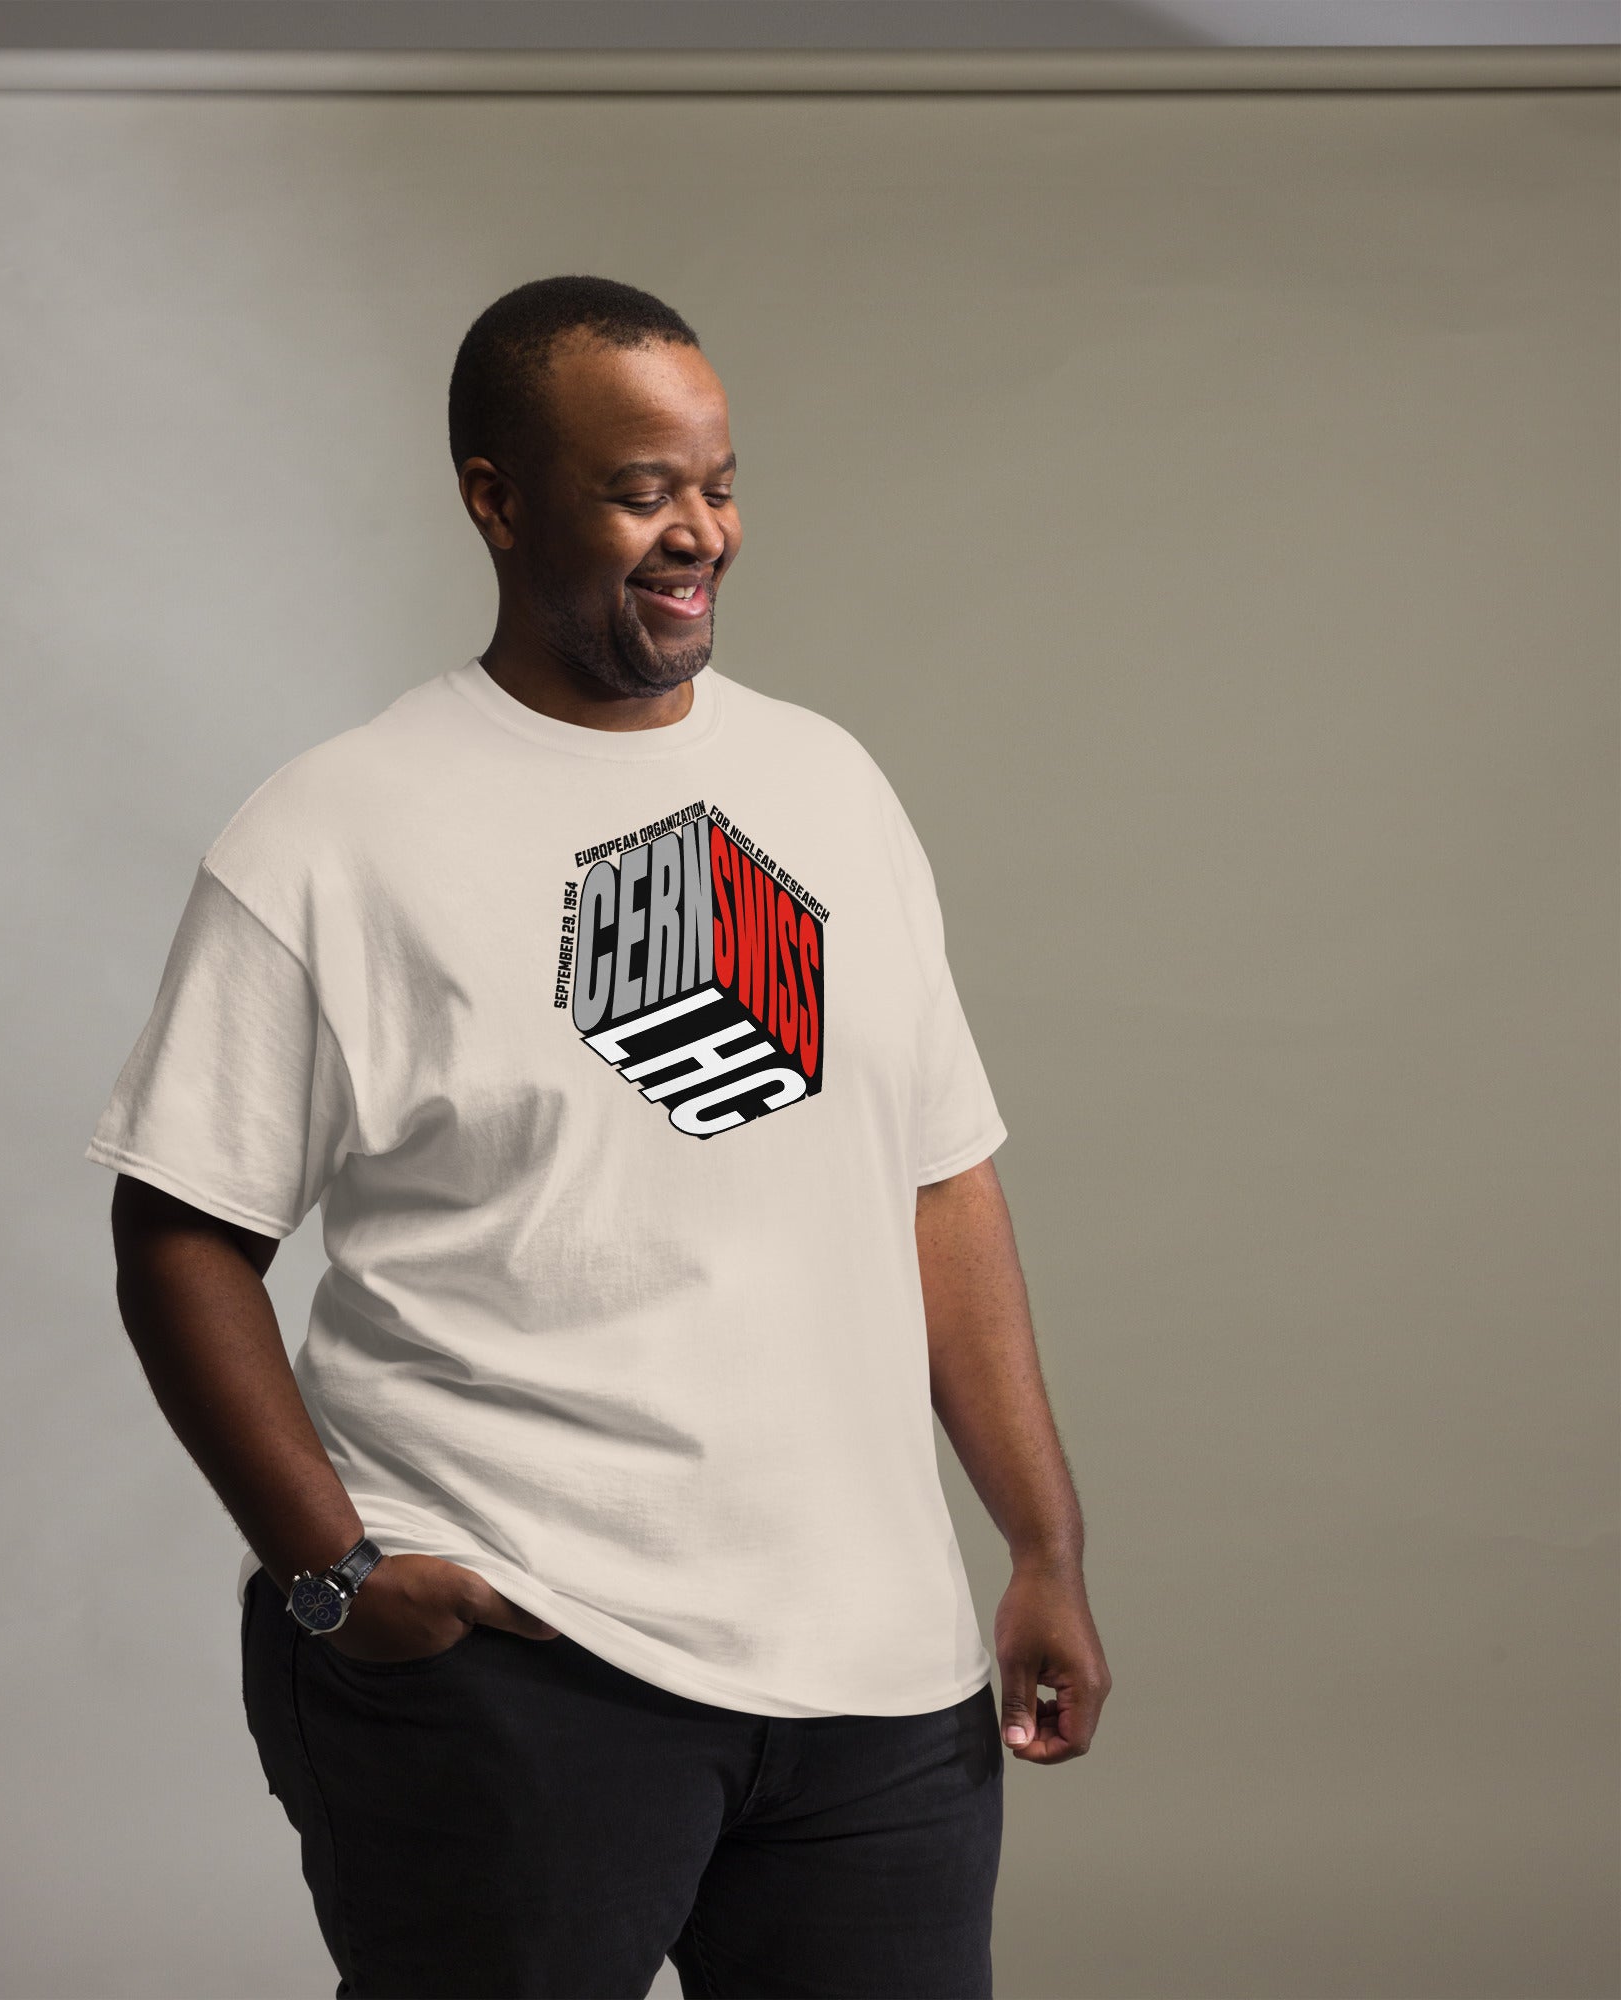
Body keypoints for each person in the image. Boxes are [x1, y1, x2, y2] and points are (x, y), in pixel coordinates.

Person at [86, 274, 1110, 2000]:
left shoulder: (832, 789)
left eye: (717, 482)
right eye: (643, 490)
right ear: (496, 497)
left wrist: (1042, 1548)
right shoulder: (338, 832)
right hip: (523, 1669)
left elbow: (940, 1182)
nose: (697, 531)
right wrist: (334, 1577)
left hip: (874, 1686)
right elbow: (180, 1229)